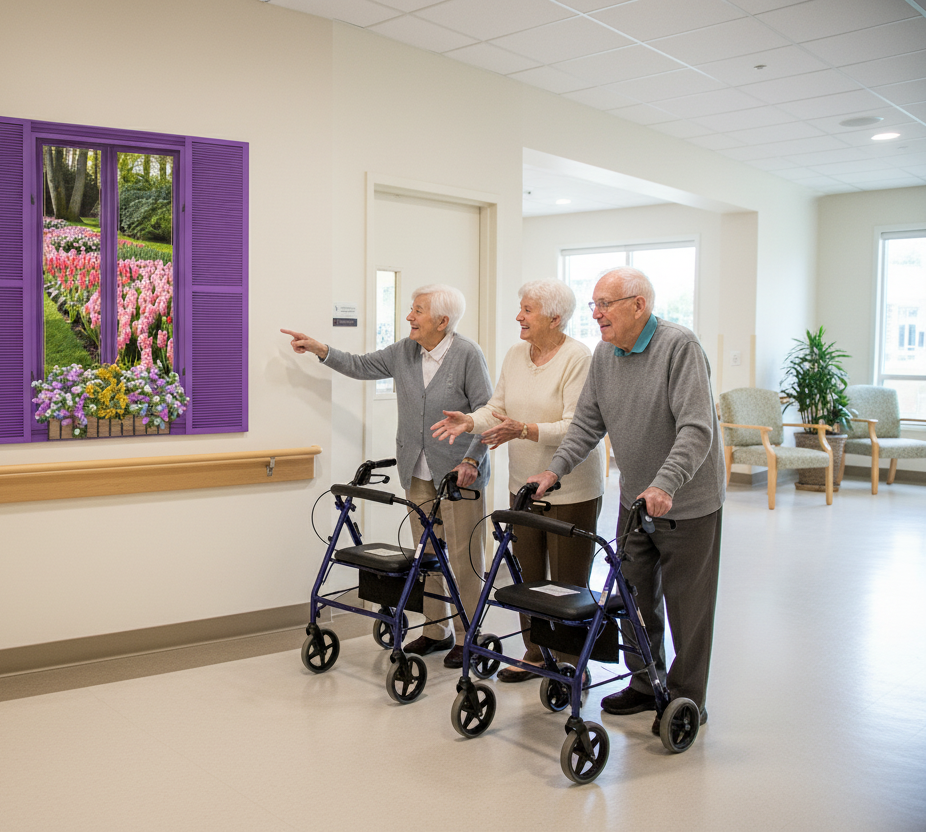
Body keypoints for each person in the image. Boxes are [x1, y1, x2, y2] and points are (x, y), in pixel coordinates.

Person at [525, 266, 724, 736]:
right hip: (636, 498)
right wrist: (554, 470)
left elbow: (696, 428)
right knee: (632, 596)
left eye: (605, 304)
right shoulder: (605, 353)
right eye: (594, 305)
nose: (596, 314)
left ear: (639, 305)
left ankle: (686, 699)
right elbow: (587, 424)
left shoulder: (680, 347)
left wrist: (666, 483)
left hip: (687, 501)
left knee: (688, 608)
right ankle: (645, 682)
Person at [282, 284, 492, 668]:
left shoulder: (467, 355)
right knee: (427, 556)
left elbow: (487, 413)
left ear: (442, 321)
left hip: (458, 476)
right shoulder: (405, 351)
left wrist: (472, 461)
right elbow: (361, 365)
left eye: (418, 310)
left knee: (464, 560)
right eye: (412, 309)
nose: (409, 316)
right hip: (417, 471)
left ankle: (469, 636)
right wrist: (320, 349)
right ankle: (437, 631)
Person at [430, 279, 604, 683]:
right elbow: (497, 409)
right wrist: (470, 421)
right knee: (527, 576)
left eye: (527, 310)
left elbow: (577, 426)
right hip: (523, 485)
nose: (518, 317)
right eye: (521, 308)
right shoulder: (514, 354)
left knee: (567, 582)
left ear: (554, 318)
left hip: (570, 488)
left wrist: (524, 429)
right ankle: (536, 653)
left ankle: (570, 663)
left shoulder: (578, 358)